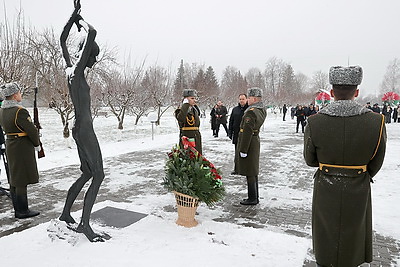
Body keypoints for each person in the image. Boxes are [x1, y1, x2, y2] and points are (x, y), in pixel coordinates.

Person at [304, 66, 387, 267]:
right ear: (356, 92)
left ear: (332, 93)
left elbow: (310, 159)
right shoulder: (376, 121)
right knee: (354, 235)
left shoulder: (315, 122)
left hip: (325, 186)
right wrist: (360, 173)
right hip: (359, 186)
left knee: (326, 234)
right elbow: (377, 160)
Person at [59, 0, 106, 242]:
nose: (94, 61)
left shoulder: (70, 72)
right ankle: (84, 225)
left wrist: (73, 17)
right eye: (93, 56)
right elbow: (93, 33)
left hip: (79, 127)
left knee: (87, 173)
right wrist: (81, 21)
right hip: (85, 129)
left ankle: (66, 213)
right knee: (98, 175)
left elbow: (61, 41)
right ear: (85, 53)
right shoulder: (76, 73)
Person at [0, 82, 40, 219]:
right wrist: (37, 143)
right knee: (21, 178)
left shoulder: (2, 110)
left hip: (11, 144)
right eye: (19, 92)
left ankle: (18, 209)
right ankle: (23, 210)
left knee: (14, 177)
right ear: (15, 94)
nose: (20, 95)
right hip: (22, 146)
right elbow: (31, 131)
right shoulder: (19, 111)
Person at [237, 87, 266, 205]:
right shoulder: (261, 110)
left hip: (249, 142)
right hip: (255, 140)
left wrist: (243, 149)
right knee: (253, 170)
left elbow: (247, 131)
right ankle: (255, 196)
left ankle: (252, 197)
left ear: (254, 99)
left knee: (250, 171)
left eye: (248, 98)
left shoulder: (251, 112)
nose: (247, 100)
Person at [175, 89, 202, 154]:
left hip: (196, 137)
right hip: (187, 137)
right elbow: (181, 119)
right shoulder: (181, 110)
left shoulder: (194, 109)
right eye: (192, 98)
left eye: (194, 98)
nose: (194, 100)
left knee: (197, 158)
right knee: (188, 157)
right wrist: (185, 105)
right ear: (186, 99)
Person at [228, 94, 248, 175]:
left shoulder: (249, 109)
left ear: (246, 99)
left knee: (246, 152)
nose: (241, 101)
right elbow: (231, 121)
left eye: (243, 99)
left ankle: (246, 169)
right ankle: (237, 169)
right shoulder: (235, 109)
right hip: (236, 134)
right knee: (237, 152)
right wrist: (230, 132)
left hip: (246, 134)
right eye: (240, 99)